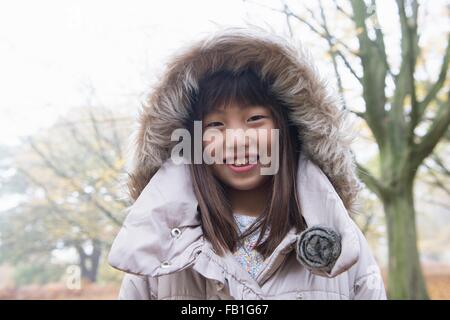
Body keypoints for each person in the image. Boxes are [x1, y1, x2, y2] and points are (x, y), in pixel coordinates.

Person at [108, 27, 387, 300]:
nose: (237, 140)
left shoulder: (343, 246)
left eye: (255, 119)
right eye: (215, 124)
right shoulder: (159, 251)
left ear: (289, 129)